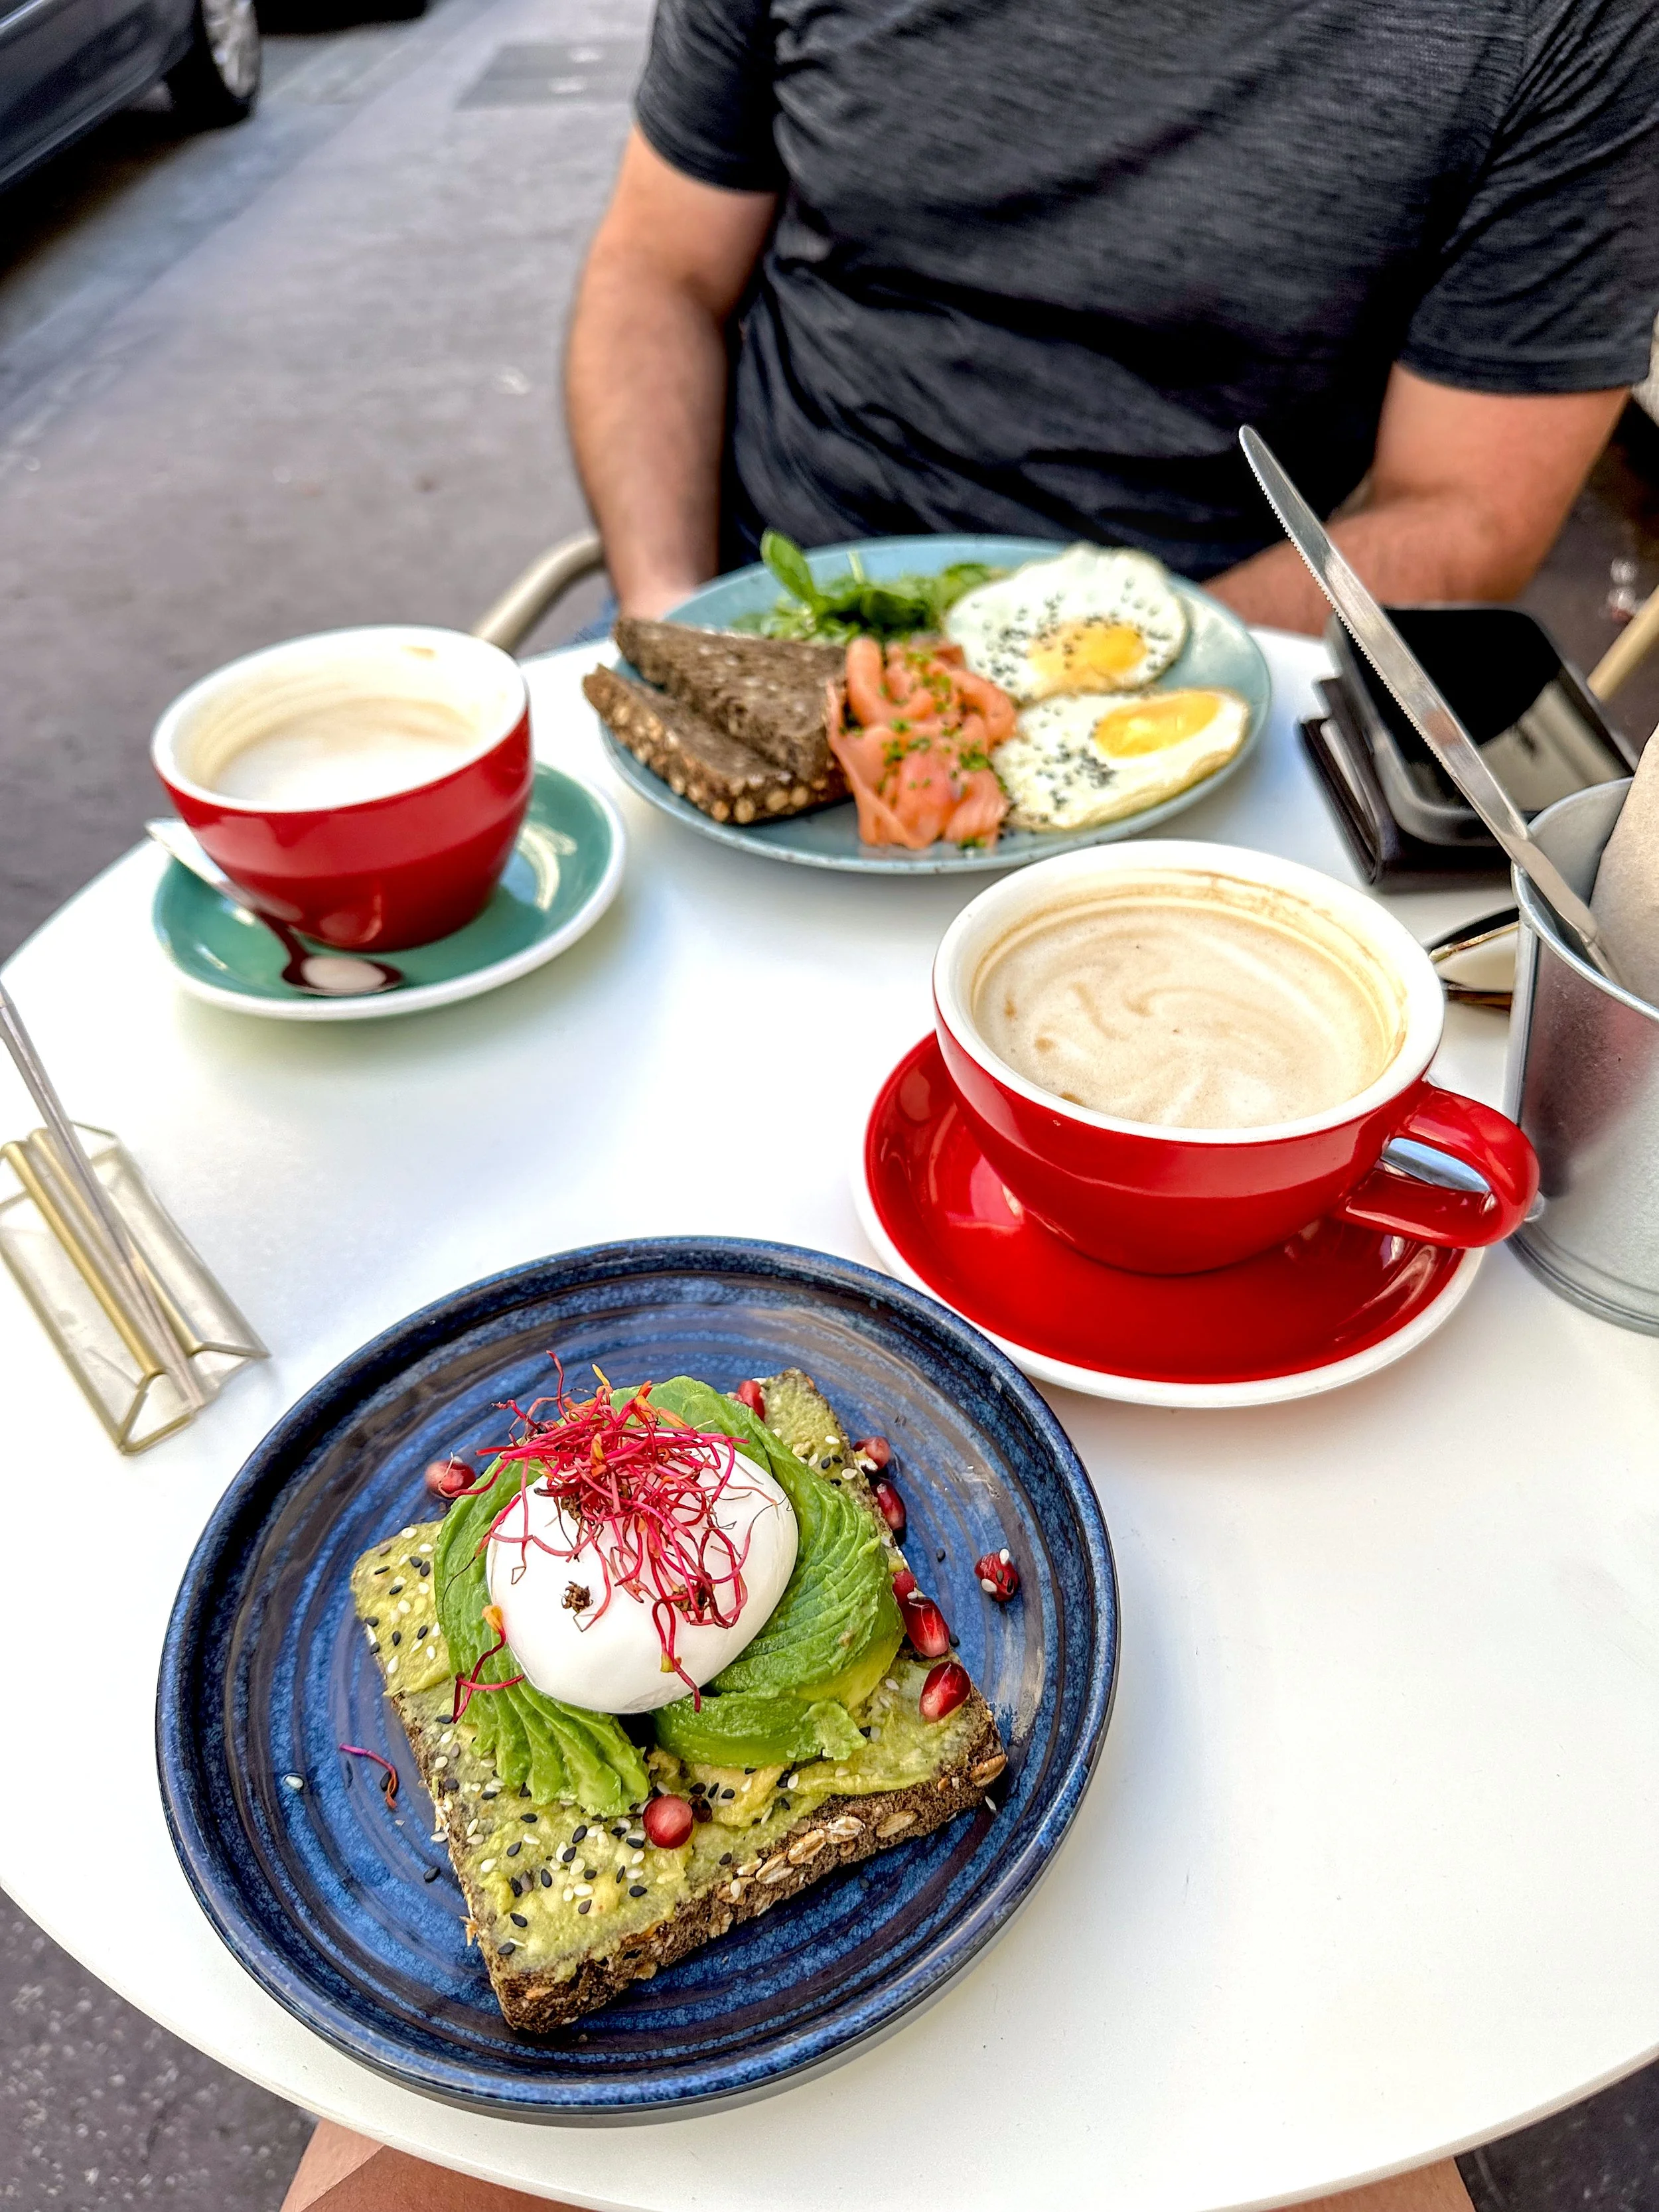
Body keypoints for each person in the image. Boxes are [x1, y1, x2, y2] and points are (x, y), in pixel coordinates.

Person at [566, 0, 1659, 632]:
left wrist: (1094, 689)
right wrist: (668, 609)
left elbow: (1467, 512)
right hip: (755, 594)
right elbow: (658, 271)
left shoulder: (1573, 25)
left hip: (1199, 664)